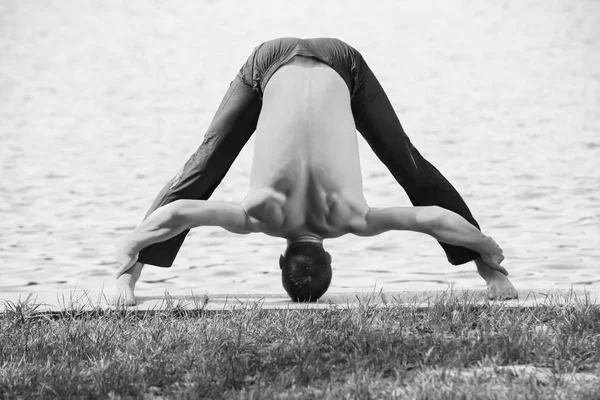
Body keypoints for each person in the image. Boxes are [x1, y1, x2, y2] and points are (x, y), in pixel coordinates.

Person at [111, 37, 518, 305]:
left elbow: (431, 220)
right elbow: (179, 213)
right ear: (280, 260)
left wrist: (484, 243)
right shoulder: (255, 215)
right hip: (270, 63)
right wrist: (129, 244)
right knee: (201, 169)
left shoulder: (355, 221)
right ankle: (125, 278)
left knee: (410, 167)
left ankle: (492, 272)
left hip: (342, 65)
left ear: (331, 261)